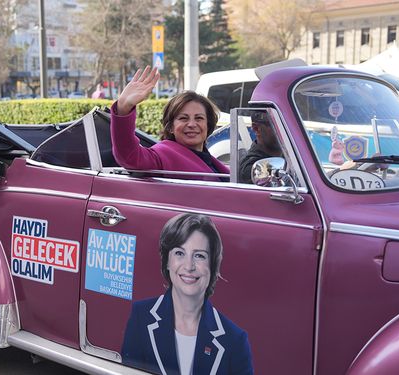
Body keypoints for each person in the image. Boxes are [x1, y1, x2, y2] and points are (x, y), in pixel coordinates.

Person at [121, 213, 253, 375]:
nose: (189, 266)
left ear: (212, 266)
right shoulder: (141, 316)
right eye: (179, 253)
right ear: (167, 262)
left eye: (199, 256)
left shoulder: (235, 340)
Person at [111, 66, 228, 179]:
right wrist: (123, 108)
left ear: (208, 124)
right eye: (183, 118)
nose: (192, 124)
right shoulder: (163, 153)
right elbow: (130, 156)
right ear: (171, 127)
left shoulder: (212, 161)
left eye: (199, 118)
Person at [238, 111, 283, 184]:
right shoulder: (251, 168)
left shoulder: (293, 157)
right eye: (277, 125)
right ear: (256, 129)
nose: (284, 131)